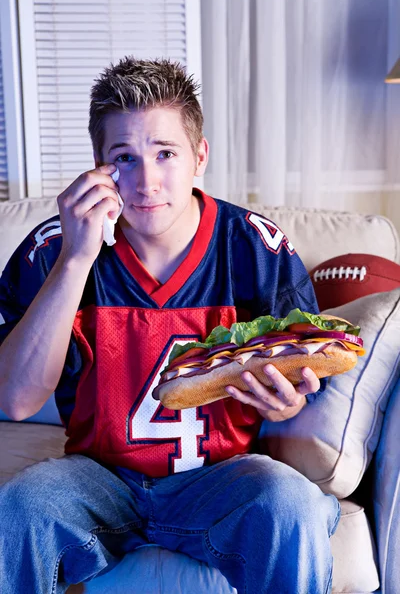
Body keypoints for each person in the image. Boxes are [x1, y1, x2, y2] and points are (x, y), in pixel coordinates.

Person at [0, 57, 340, 594]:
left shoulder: (253, 246)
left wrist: (288, 402)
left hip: (221, 479)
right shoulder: (53, 246)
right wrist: (76, 259)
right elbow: (16, 400)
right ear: (98, 164)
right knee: (22, 506)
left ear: (199, 155)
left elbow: (303, 377)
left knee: (291, 501)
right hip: (98, 478)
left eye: (165, 153)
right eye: (124, 158)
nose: (146, 180)